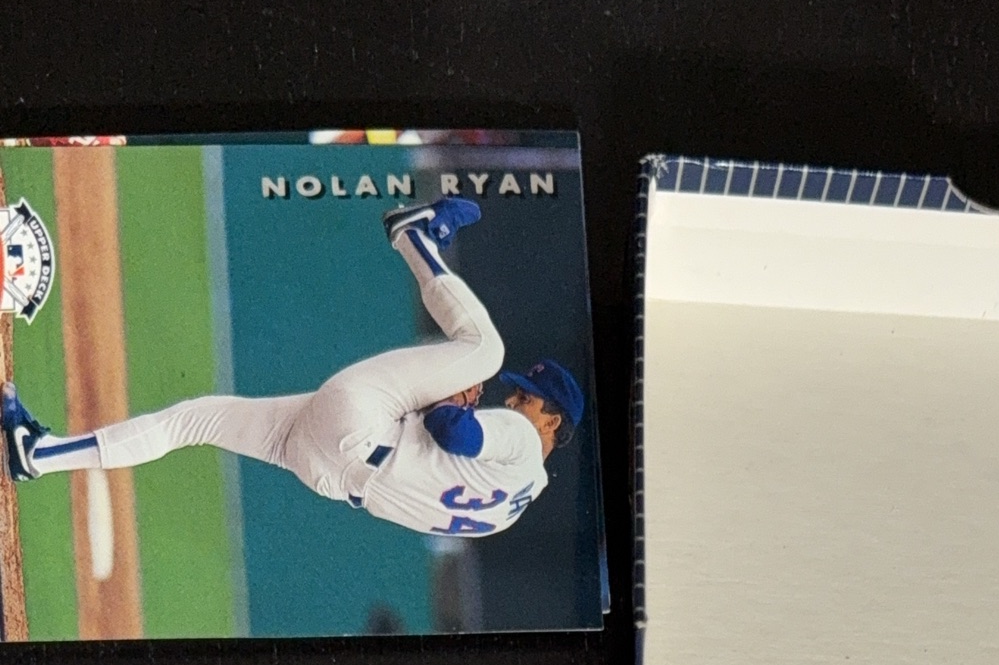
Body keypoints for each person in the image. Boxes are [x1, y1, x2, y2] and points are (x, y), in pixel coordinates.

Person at [2, 197, 582, 543]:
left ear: (552, 421)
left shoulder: (523, 442)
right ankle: (39, 455)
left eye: (528, 399)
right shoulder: (507, 514)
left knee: (485, 350)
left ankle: (415, 234)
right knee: (198, 420)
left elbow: (451, 431)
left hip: (361, 428)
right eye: (520, 396)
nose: (514, 402)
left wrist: (451, 401)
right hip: (329, 476)